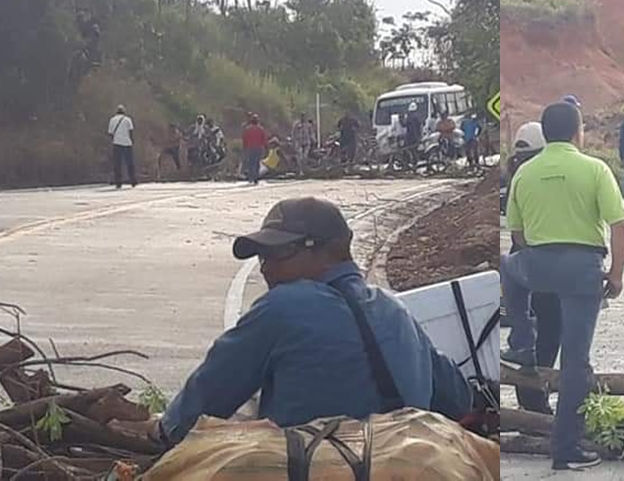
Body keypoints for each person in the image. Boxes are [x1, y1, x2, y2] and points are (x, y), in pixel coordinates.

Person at [145, 197, 473, 447]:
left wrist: (162, 430)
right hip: (402, 463)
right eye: (262, 257)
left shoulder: (283, 307)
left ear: (325, 252)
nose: (264, 267)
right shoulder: (395, 309)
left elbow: (210, 394)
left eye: (277, 254)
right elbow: (458, 399)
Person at [501, 102, 624, 471]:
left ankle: (521, 343)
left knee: (507, 267)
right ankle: (567, 448)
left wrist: (541, 260)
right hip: (583, 269)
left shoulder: (525, 174)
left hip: (537, 263)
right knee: (575, 362)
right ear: (578, 132)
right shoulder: (594, 169)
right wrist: (616, 274)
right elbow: (620, 225)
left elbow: (516, 234)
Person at [506, 122, 561, 415]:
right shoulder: (544, 175)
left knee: (527, 331)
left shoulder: (517, 177)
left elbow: (516, 232)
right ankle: (535, 402)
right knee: (550, 331)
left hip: (521, 261)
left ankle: (530, 400)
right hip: (545, 261)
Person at [108, 104, 137, 189]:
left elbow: (110, 133)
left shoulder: (112, 120)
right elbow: (131, 131)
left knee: (117, 164)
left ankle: (118, 182)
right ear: (124, 111)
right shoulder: (128, 120)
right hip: (127, 143)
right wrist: (132, 140)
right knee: (130, 163)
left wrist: (114, 141)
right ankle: (133, 181)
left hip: (116, 144)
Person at [242, 113, 268, 185]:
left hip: (250, 148)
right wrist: (265, 147)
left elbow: (245, 139)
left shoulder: (247, 129)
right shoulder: (261, 129)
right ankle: (256, 178)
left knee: (250, 163)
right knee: (257, 163)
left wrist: (244, 147)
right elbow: (264, 139)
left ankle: (251, 178)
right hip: (258, 148)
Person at [404, 102, 424, 167]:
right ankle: (415, 161)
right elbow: (417, 127)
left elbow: (407, 126)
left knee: (411, 149)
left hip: (410, 136)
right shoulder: (416, 117)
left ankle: (414, 161)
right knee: (413, 149)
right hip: (414, 136)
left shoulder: (409, 117)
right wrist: (418, 137)